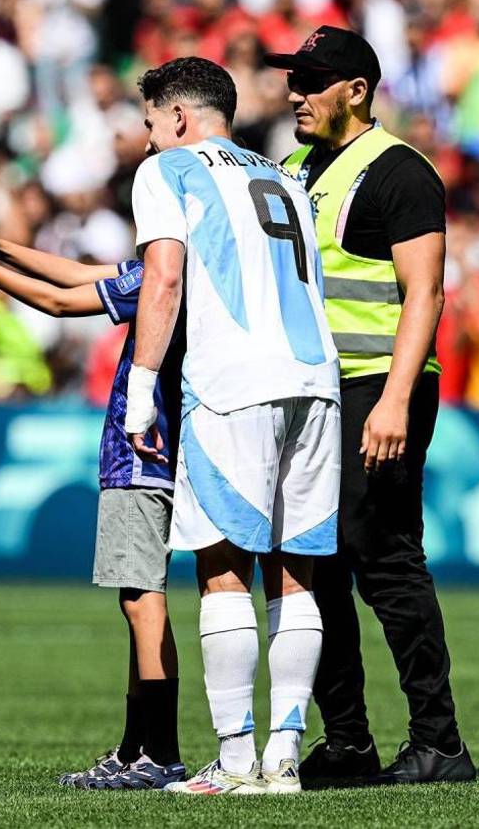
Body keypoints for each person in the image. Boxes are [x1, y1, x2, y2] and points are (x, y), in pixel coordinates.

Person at [264, 25, 476, 785]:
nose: (295, 92)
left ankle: (440, 742)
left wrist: (392, 398)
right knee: (310, 561)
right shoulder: (291, 169)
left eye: (312, 80)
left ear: (356, 91)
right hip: (315, 390)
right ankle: (348, 741)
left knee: (384, 559)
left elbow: (427, 291)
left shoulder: (399, 172)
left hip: (380, 385)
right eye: (293, 77)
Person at [124, 56, 341, 795]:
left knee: (221, 570)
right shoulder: (286, 175)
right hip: (317, 382)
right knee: (295, 573)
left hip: (233, 384)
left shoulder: (170, 171)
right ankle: (285, 758)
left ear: (179, 118)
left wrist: (142, 391)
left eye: (151, 123)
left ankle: (236, 759)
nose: (148, 139)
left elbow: (165, 276)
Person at [0, 210, 187, 790]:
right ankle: (137, 748)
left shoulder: (168, 272)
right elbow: (78, 273)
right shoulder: (185, 268)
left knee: (141, 596)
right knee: (140, 595)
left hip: (144, 448)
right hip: (172, 446)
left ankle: (160, 752)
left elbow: (60, 303)